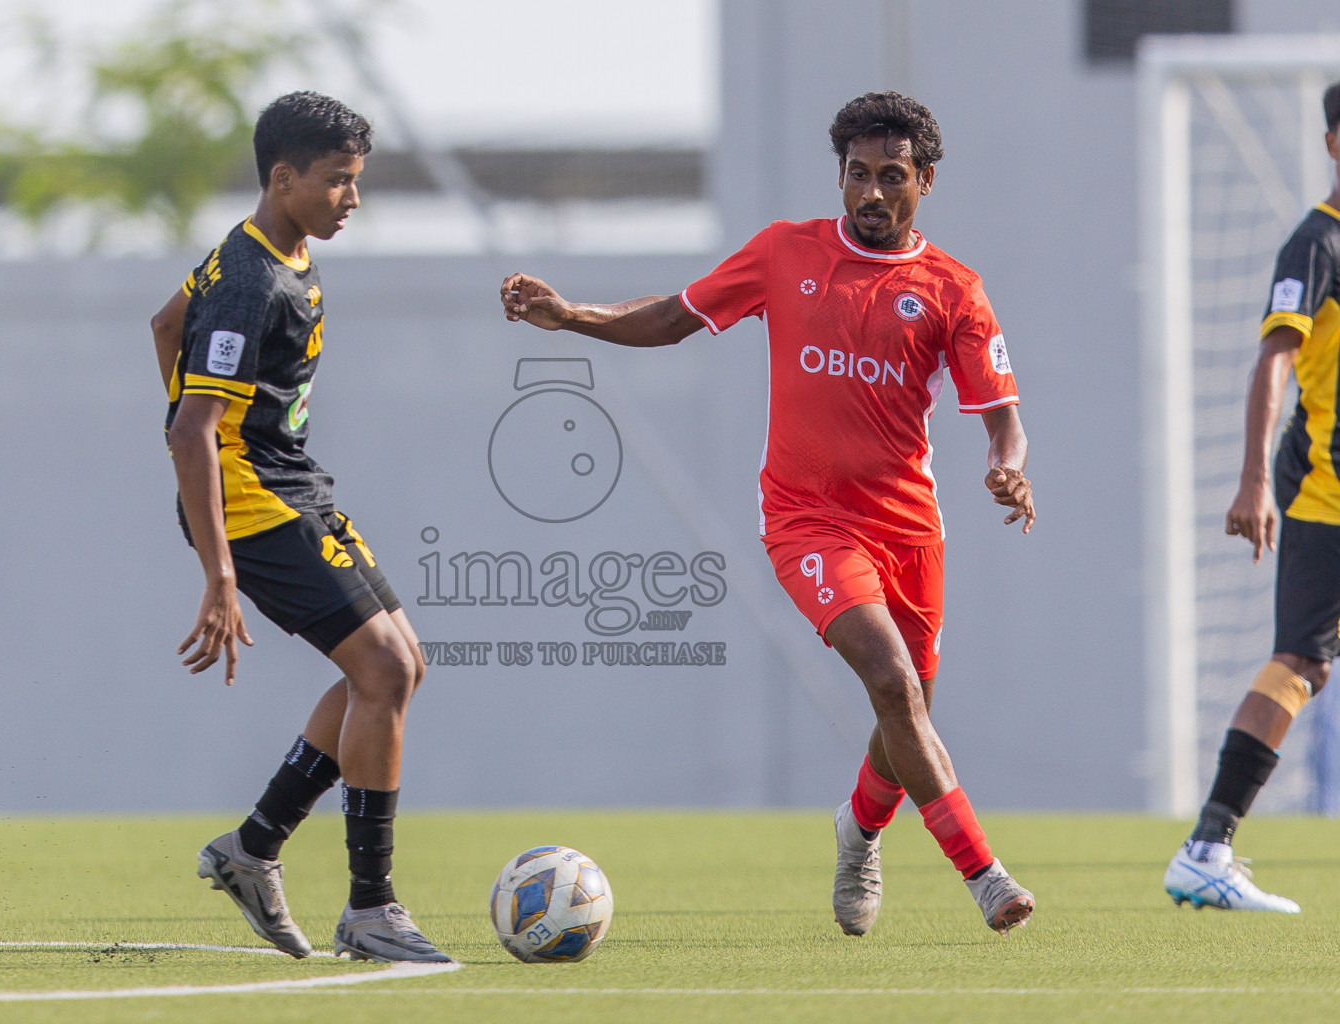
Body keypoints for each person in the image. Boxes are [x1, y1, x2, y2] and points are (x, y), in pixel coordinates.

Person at [501, 91, 1037, 936]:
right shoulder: (786, 252)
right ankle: (984, 875)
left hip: (910, 529)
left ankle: (858, 830)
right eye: (856, 174)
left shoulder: (953, 290)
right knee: (892, 684)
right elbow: (672, 317)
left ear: (925, 181)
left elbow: (1001, 415)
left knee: (908, 711)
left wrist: (1009, 467)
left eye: (890, 176)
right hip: (807, 522)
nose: (870, 192)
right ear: (840, 175)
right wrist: (572, 317)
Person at [150, 91, 449, 962]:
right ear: (283, 178)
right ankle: (371, 910)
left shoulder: (277, 250)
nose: (352, 198)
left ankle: (252, 849)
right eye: (338, 181)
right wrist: (220, 571)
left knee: (399, 667)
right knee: (383, 669)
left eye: (356, 179)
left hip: (290, 485)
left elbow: (166, 323)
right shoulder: (251, 280)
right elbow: (191, 430)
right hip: (252, 502)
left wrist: (211, 426)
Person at [1163, 81, 1340, 915]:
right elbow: (1275, 358)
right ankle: (1206, 847)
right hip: (1326, 496)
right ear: (1334, 144)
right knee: (1299, 662)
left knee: (1305, 665)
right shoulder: (1317, 243)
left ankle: (1207, 845)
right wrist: (1253, 479)